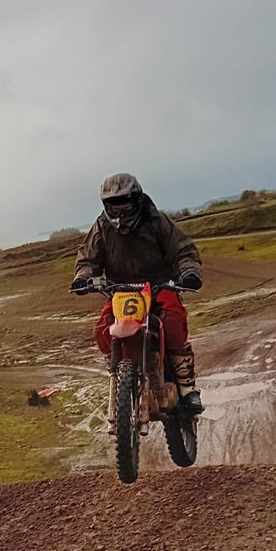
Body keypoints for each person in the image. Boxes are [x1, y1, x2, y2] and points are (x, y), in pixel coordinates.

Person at [71, 173, 204, 414]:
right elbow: (88, 257)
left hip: (159, 285)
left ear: (137, 199)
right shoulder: (102, 227)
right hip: (119, 291)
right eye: (114, 204)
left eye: (125, 203)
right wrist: (83, 277)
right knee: (102, 329)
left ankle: (187, 387)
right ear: (105, 205)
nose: (120, 210)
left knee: (173, 318)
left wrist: (189, 273)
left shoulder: (156, 221)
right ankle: (118, 372)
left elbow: (183, 250)